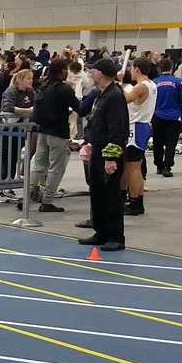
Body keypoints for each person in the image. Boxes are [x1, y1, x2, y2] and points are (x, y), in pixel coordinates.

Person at [79, 57, 129, 252]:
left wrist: (111, 157)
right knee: (98, 194)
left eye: (93, 72)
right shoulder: (101, 94)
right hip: (97, 149)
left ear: (100, 74)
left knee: (111, 196)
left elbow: (117, 129)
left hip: (109, 152)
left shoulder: (115, 96)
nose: (91, 75)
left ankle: (116, 236)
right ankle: (101, 232)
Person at [30, 60, 80, 212]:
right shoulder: (64, 89)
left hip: (42, 131)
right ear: (62, 71)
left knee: (38, 165)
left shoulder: (43, 87)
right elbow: (80, 107)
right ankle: (47, 200)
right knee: (56, 168)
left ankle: (26, 197)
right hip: (58, 132)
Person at [122, 58, 157, 216]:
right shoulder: (152, 85)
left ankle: (135, 202)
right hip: (142, 126)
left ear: (136, 69)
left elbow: (121, 101)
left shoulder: (140, 87)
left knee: (133, 168)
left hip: (135, 127)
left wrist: (119, 82)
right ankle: (137, 199)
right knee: (135, 166)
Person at [151, 57, 182, 177]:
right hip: (173, 116)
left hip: (158, 115)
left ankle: (158, 165)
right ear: (172, 68)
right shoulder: (178, 82)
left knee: (158, 142)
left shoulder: (154, 83)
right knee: (171, 143)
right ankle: (167, 166)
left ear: (160, 68)